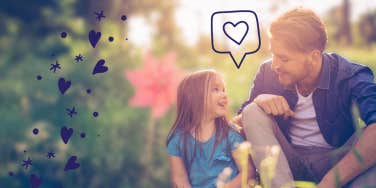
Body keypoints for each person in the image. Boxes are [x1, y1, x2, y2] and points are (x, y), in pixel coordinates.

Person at [234, 8, 376, 188]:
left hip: (338, 163)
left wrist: (329, 182)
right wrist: (258, 101)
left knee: (371, 137)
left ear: (314, 57)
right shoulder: (267, 72)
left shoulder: (349, 75)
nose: (275, 65)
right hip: (287, 164)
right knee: (252, 111)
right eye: (273, 55)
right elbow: (236, 127)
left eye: (284, 58)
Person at [166, 69, 255, 188]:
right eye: (216, 89)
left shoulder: (230, 134)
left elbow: (248, 172)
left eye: (224, 90)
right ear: (193, 97)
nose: (224, 94)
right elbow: (180, 179)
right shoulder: (177, 140)